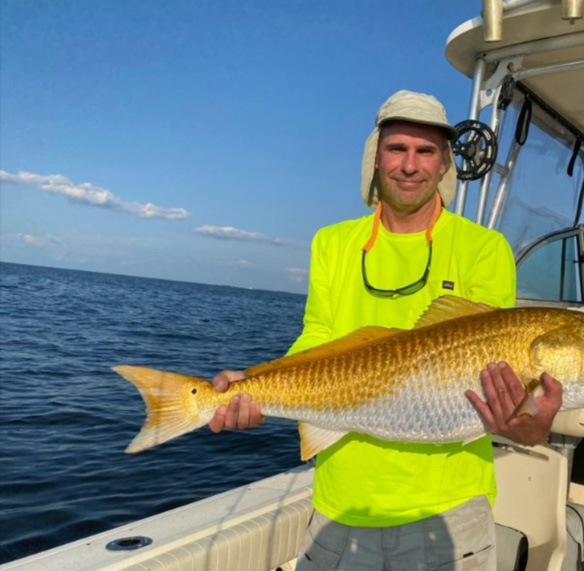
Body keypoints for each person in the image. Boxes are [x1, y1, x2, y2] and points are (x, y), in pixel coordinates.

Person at [209, 90, 563, 570]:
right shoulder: (333, 243)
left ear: (444, 165)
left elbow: (493, 365)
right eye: (397, 149)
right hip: (341, 503)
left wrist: (531, 421)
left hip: (449, 511)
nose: (409, 165)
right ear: (375, 157)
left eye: (426, 151)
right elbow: (318, 337)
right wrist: (252, 380)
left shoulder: (484, 248)